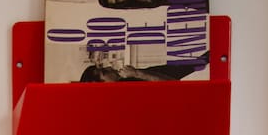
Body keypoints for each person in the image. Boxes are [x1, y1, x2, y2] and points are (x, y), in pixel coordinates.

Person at [79, 54, 208, 83]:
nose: (108, 67)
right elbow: (172, 86)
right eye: (104, 72)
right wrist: (137, 73)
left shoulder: (125, 79)